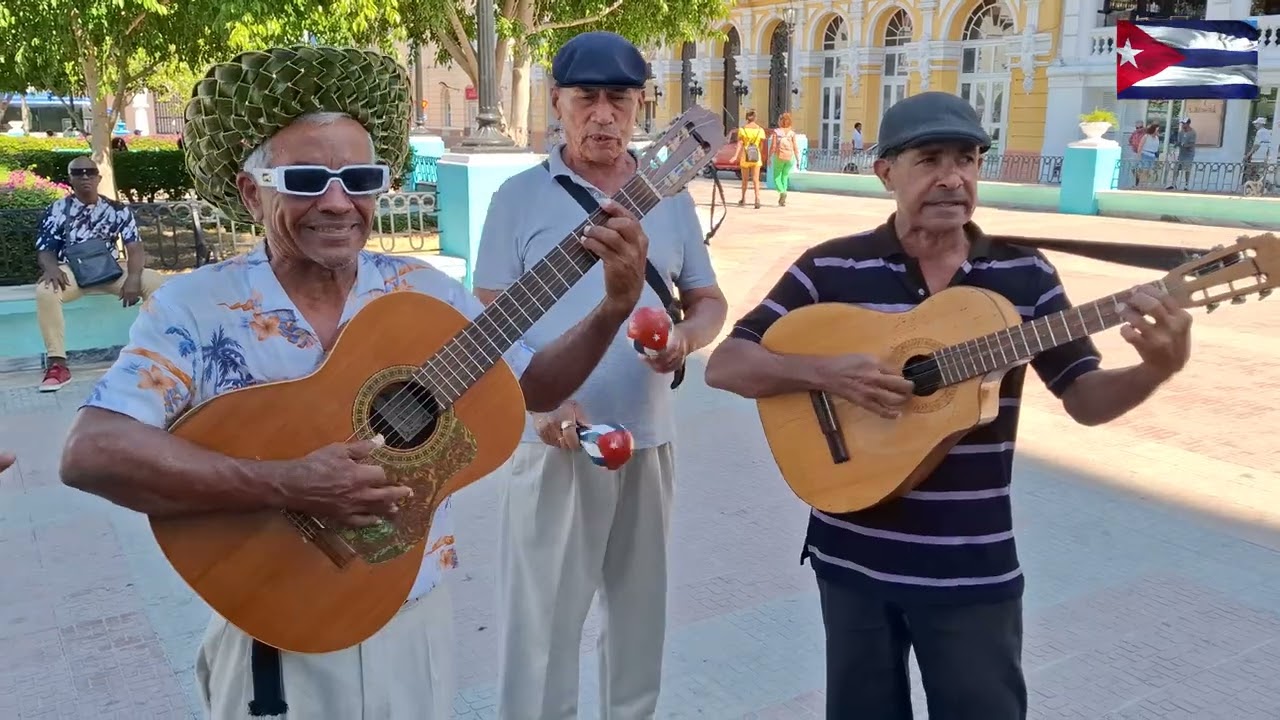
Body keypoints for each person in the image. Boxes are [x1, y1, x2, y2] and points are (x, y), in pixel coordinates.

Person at [58, 45, 650, 720]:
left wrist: (612, 308)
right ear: (254, 192)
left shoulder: (426, 294)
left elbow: (532, 388)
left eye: (360, 178)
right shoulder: (196, 307)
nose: (338, 204)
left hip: (412, 620)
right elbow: (91, 452)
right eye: (307, 179)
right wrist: (286, 482)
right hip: (276, 635)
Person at [704, 91, 1193, 720]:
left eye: (967, 159)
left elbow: (1085, 397)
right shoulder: (828, 267)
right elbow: (726, 363)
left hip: (971, 568)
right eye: (929, 159)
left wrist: (1157, 367)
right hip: (851, 557)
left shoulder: (1025, 276)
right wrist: (823, 372)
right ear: (886, 173)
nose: (952, 177)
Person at [472, 30, 729, 720]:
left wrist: (683, 338)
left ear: (642, 105)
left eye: (620, 98)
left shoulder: (666, 192)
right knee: (543, 634)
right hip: (554, 442)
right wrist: (536, 413)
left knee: (640, 625)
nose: (604, 114)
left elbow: (708, 301)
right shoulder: (518, 200)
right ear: (558, 103)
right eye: (587, 98)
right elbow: (489, 324)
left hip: (648, 440)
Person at [34, 156, 167, 391]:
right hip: (72, 272)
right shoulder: (57, 209)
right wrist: (52, 268)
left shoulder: (116, 209)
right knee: (46, 290)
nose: (85, 176)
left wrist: (134, 278)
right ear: (70, 180)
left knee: (155, 282)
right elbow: (45, 249)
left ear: (98, 177)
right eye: (78, 173)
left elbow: (134, 247)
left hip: (109, 271)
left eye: (90, 172)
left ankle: (159, 350)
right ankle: (58, 363)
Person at [736, 109, 766, 209]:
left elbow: (740, 143)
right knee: (756, 179)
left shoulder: (742, 130)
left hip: (745, 156)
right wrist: (759, 153)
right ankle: (757, 199)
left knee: (744, 179)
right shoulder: (760, 130)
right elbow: (761, 145)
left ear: (746, 117)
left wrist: (736, 155)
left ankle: (743, 198)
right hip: (756, 157)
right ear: (755, 117)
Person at [771, 112, 799, 207]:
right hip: (790, 157)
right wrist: (798, 159)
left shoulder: (777, 132)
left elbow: (774, 146)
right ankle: (783, 195)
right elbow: (795, 146)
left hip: (779, 157)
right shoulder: (792, 133)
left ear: (781, 121)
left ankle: (782, 192)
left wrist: (770, 157)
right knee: (785, 176)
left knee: (776, 176)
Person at [1171, 117, 1197, 190]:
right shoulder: (1181, 132)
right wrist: (1176, 144)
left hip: (1189, 154)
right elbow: (1179, 141)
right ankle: (1173, 184)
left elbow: (1192, 144)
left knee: (1187, 169)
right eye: (1182, 123)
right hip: (1181, 154)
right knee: (1176, 168)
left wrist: (1185, 145)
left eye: (1184, 123)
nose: (1182, 125)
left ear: (1188, 123)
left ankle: (1186, 185)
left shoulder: (1192, 133)